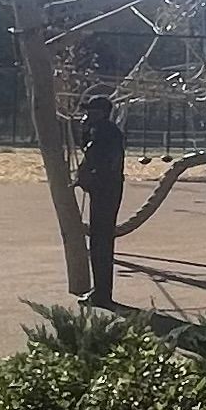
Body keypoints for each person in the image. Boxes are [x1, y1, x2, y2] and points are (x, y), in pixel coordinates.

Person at [73, 88, 129, 306]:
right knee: (100, 242)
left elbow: (95, 158)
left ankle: (102, 294)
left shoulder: (104, 132)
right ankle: (101, 291)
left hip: (106, 191)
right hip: (107, 190)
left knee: (101, 243)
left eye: (90, 111)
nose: (86, 116)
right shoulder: (104, 130)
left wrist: (84, 133)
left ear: (100, 113)